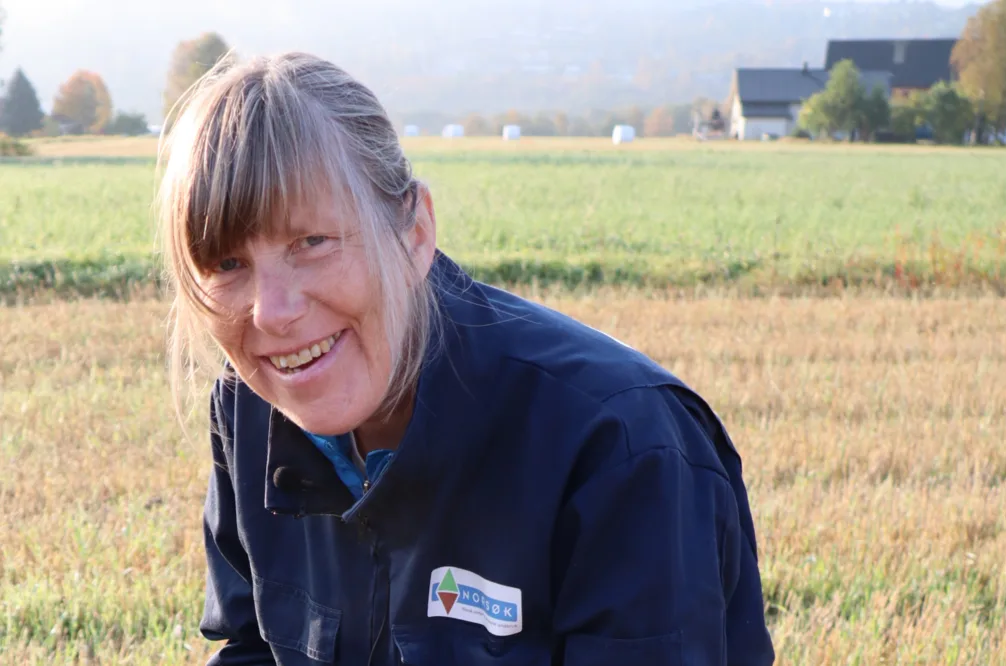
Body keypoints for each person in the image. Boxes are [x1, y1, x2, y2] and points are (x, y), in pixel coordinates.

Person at [157, 51, 775, 666]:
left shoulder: (621, 448)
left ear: (415, 233)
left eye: (311, 242)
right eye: (226, 264)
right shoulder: (247, 410)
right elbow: (256, 649)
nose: (271, 312)